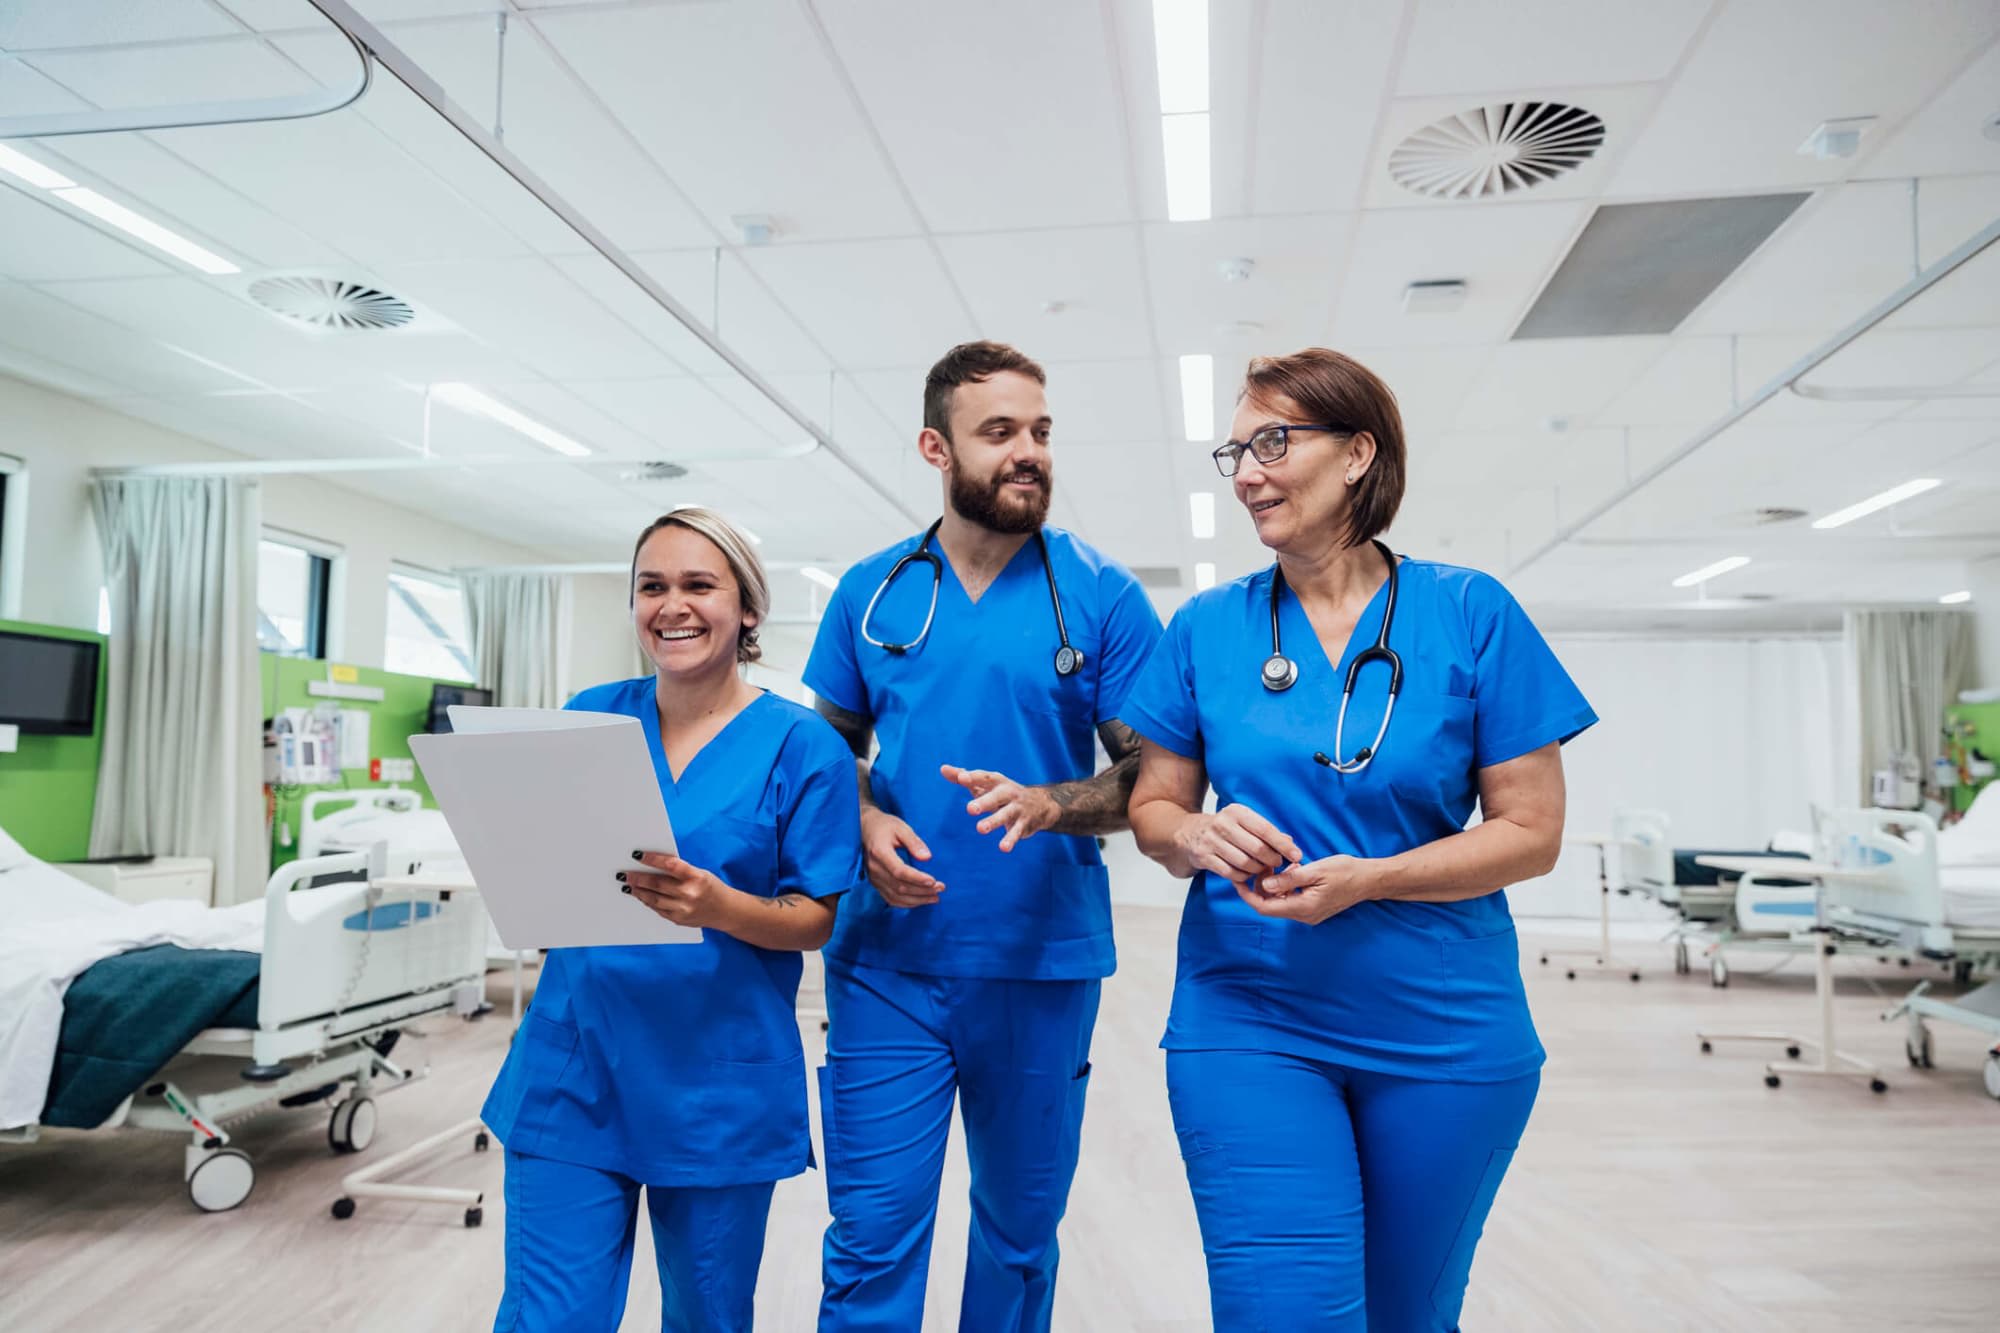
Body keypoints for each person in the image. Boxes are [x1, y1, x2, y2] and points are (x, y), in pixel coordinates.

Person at [1123, 348, 1598, 1331]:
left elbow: (1531, 832)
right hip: (1248, 1016)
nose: (1246, 472)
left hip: (1442, 1027)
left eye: (1271, 441)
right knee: (1281, 1309)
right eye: (1234, 451)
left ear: (1356, 455)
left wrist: (1373, 877)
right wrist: (1196, 834)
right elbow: (1153, 811)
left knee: (1404, 1315)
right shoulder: (1206, 627)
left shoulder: (1468, 612)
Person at [805, 341, 1164, 1331]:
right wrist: (867, 816)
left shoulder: (1098, 595)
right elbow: (824, 755)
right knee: (870, 1237)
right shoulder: (869, 594)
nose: (1027, 451)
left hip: (1038, 961)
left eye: (1039, 431)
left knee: (1015, 1240)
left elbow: (1157, 776)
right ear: (936, 447)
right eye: (998, 431)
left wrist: (1051, 803)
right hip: (885, 964)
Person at [482, 507, 865, 1333]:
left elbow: (815, 919)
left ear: (748, 609)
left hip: (715, 1089)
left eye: (699, 585)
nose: (672, 605)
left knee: (706, 1319)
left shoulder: (804, 748)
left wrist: (717, 905)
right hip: (575, 1069)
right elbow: (553, 866)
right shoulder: (591, 712)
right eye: (651, 586)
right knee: (549, 1319)